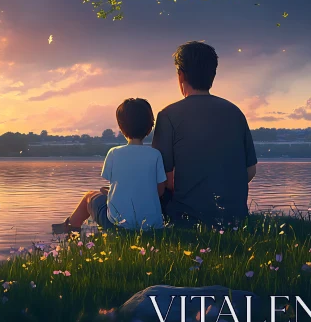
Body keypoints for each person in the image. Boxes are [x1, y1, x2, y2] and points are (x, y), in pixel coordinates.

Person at [152, 41, 257, 227]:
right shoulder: (235, 112)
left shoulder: (168, 115)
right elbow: (250, 170)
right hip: (234, 218)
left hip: (186, 218)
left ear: (180, 75)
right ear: (213, 75)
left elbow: (163, 179)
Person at [52, 98, 167, 234]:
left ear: (121, 127)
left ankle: (71, 229)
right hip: (152, 227)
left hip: (117, 225)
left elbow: (114, 182)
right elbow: (160, 191)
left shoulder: (114, 153)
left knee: (89, 196)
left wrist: (111, 192)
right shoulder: (155, 155)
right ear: (150, 127)